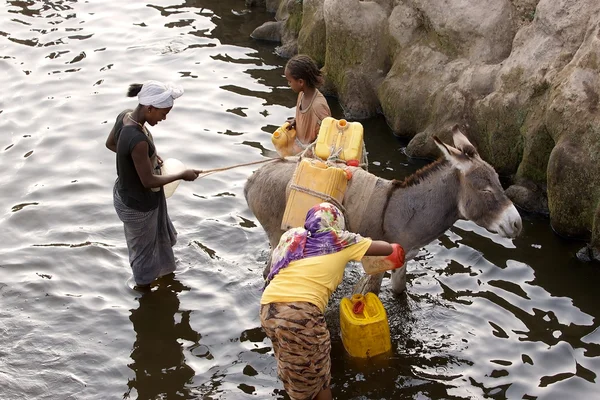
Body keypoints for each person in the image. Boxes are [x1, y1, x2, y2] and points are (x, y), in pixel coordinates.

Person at [260, 202, 405, 400]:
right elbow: (386, 248)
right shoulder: (338, 239)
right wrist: (395, 248)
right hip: (300, 312)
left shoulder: (292, 236)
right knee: (310, 380)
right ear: (336, 223)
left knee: (301, 372)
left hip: (269, 308)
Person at [105, 80, 201, 289]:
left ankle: (165, 276)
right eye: (163, 113)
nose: (164, 118)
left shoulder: (125, 116)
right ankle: (144, 291)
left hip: (125, 191)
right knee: (142, 253)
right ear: (150, 108)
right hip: (138, 204)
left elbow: (111, 143)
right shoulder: (137, 139)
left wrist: (147, 159)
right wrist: (180, 175)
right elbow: (147, 181)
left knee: (153, 242)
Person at [284, 54, 332, 155]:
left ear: (301, 82)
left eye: (290, 81)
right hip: (299, 146)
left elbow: (328, 136)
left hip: (310, 153)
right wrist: (296, 121)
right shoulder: (302, 94)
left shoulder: (318, 106)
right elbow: (305, 119)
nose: (289, 85)